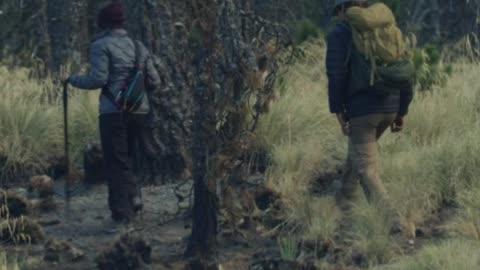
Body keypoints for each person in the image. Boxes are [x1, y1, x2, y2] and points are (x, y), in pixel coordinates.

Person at [64, 0, 161, 228]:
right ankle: (134, 196)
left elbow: (98, 79)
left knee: (115, 162)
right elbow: (155, 81)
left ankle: (121, 213)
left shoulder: (101, 45)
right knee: (127, 157)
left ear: (104, 24)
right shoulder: (138, 46)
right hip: (139, 111)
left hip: (113, 112)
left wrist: (71, 80)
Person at [326, 0, 413, 221]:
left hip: (363, 112)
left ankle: (393, 221)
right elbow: (405, 69)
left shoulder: (341, 33)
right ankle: (344, 206)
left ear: (342, 8)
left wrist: (338, 110)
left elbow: (336, 75)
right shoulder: (387, 27)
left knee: (367, 171)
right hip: (391, 105)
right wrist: (402, 110)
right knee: (356, 153)